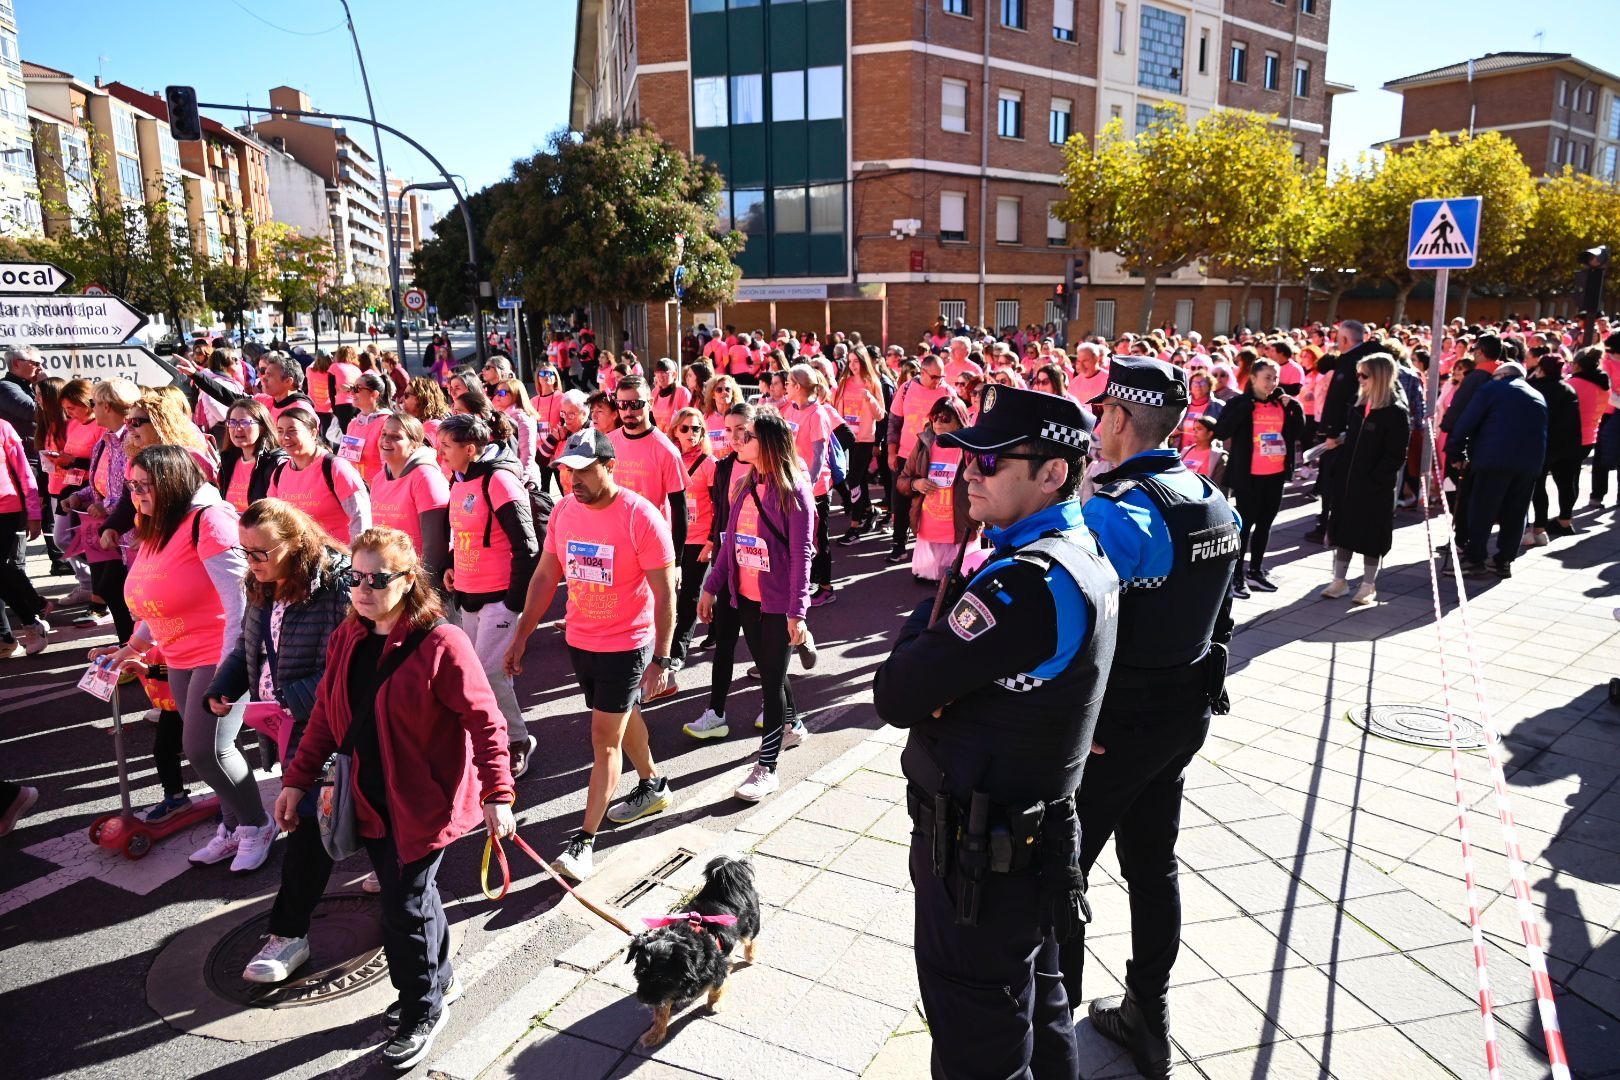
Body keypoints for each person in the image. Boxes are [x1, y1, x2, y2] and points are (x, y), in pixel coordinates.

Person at [873, 385, 1117, 1080]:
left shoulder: (1022, 585)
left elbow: (896, 693)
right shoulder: (1076, 549)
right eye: (968, 458)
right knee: (1037, 1003)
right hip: (1026, 839)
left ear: (1053, 473)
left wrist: (934, 630)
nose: (969, 473)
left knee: (976, 1039)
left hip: (980, 861)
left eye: (990, 461)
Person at [275, 527, 515, 1071]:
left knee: (403, 909)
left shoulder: (442, 643)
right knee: (414, 900)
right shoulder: (347, 636)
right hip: (365, 796)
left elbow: (487, 722)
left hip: (420, 803)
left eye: (377, 579)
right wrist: (296, 780)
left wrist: (498, 793)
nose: (363, 590)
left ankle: (422, 1011)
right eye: (355, 578)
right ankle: (438, 979)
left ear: (408, 580)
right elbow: (324, 717)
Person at [1068, 357, 1240, 1079]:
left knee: (1061, 873)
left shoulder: (1117, 510)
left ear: (1116, 417)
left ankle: (1050, 1031)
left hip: (1116, 726)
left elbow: (1078, 626)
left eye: (1101, 413)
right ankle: (1150, 1015)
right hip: (1181, 713)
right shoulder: (1212, 499)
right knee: (1152, 863)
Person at [503, 429, 677, 882]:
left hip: (626, 644)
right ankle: (654, 785)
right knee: (621, 716)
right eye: (567, 470)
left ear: (609, 466)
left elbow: (665, 594)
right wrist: (521, 635)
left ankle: (583, 842)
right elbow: (546, 576)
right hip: (582, 640)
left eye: (583, 470)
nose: (573, 480)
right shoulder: (563, 511)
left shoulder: (640, 516)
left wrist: (662, 659)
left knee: (604, 740)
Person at [93, 446, 273, 870]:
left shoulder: (209, 521)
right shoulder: (156, 526)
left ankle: (257, 824)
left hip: (219, 654)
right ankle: (232, 826)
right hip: (178, 656)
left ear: (171, 482)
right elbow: (154, 602)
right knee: (216, 749)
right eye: (132, 485)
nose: (136, 493)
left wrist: (229, 671)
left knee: (204, 749)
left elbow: (241, 604)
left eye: (145, 485)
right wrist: (133, 647)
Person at [211, 499, 357, 981]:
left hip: (333, 727)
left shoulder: (337, 585)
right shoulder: (260, 582)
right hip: (291, 726)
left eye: (261, 552)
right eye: (244, 551)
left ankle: (288, 933)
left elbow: (353, 666)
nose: (251, 562)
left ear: (296, 543)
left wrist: (292, 698)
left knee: (315, 824)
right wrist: (226, 685)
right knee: (321, 820)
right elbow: (249, 646)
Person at [699, 411, 816, 801]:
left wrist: (798, 612)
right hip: (746, 599)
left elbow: (802, 557)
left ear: (767, 443)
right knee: (771, 670)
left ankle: (767, 768)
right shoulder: (744, 486)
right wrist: (711, 588)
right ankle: (794, 724)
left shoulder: (795, 493)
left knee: (769, 684)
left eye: (748, 436)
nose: (739, 441)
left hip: (779, 604)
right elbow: (730, 542)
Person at [438, 414, 540, 778]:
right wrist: (453, 565)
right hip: (469, 595)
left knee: (486, 674)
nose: (441, 452)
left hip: (499, 598)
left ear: (470, 449)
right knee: (490, 675)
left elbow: (528, 547)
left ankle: (518, 740)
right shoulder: (459, 479)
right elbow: (461, 531)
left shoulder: (499, 481)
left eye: (446, 446)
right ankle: (495, 737)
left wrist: (513, 604)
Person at [1323, 352, 1410, 604]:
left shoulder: (1395, 413)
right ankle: (1339, 580)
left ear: (1380, 376)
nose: (1359, 379)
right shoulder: (1359, 406)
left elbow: (1395, 455)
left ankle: (1368, 585)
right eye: (1358, 374)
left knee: (1371, 534)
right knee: (1343, 530)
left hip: (1374, 487)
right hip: (1348, 482)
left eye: (1365, 375)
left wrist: (1375, 480)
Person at [1449, 360, 1549, 578]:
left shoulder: (1493, 388)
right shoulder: (1537, 395)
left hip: (1494, 458)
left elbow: (1467, 421)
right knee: (1516, 512)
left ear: (1502, 375)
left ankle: (1475, 558)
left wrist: (1455, 451)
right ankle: (1504, 561)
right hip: (1529, 463)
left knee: (1482, 509)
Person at [1213, 357, 1304, 597]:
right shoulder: (1239, 403)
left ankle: (1255, 571)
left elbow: (1297, 432)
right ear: (1253, 378)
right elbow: (1221, 431)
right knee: (1245, 526)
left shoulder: (1281, 403)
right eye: (1267, 378)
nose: (1272, 383)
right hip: (1248, 477)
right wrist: (1246, 407)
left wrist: (1294, 407)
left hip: (1275, 474)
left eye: (1275, 378)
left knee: (1265, 524)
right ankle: (1236, 576)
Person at [61, 378, 140, 638]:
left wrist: (106, 506)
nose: (91, 408)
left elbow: (136, 488)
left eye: (93, 403)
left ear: (106, 406)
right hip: (107, 532)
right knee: (109, 588)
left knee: (123, 591)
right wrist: (78, 496)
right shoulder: (104, 441)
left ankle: (133, 646)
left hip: (131, 532)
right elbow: (101, 483)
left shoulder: (134, 439)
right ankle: (128, 645)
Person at [896, 396, 976, 585]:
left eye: (945, 418)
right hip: (929, 526)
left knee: (960, 583)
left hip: (961, 524)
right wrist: (916, 484)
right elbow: (902, 480)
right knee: (927, 584)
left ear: (959, 421)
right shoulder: (924, 443)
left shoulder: (971, 448)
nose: (938, 422)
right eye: (934, 417)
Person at [370, 414, 452, 592]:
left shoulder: (426, 477)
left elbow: (435, 546)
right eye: (384, 434)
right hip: (388, 578)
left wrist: (426, 590)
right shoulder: (378, 478)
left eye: (396, 436)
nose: (386, 440)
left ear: (414, 445)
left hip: (419, 583)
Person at [886, 353, 954, 564]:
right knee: (900, 501)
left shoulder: (947, 392)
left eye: (941, 376)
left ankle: (924, 547)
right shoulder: (906, 389)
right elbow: (894, 423)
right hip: (906, 454)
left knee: (928, 502)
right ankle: (898, 545)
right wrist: (891, 452)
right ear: (922, 372)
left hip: (934, 457)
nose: (938, 381)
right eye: (934, 377)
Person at [606, 376, 687, 552]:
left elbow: (679, 510)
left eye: (635, 404)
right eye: (622, 404)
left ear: (650, 403)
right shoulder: (607, 443)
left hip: (652, 541)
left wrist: (677, 559)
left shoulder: (667, 450)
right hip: (613, 538)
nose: (628, 411)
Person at [267, 407, 371, 544]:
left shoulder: (335, 467)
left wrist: (355, 553)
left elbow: (361, 516)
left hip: (338, 554)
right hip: (297, 554)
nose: (285, 437)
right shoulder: (279, 472)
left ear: (313, 432)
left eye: (292, 431)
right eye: (280, 431)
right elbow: (272, 518)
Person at [782, 365, 840, 606]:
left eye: (788, 382)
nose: (785, 386)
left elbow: (819, 456)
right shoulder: (790, 409)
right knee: (796, 537)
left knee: (818, 538)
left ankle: (826, 587)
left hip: (814, 488)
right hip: (793, 483)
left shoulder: (818, 414)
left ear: (798, 386)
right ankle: (805, 581)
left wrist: (809, 485)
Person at [666, 407, 716, 680]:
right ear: (675, 430)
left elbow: (719, 507)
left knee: (688, 595)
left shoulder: (709, 464)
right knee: (669, 594)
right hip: (671, 537)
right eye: (684, 428)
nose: (690, 433)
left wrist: (711, 541)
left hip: (699, 539)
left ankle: (678, 651)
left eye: (696, 428)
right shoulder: (669, 459)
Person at [0, 414, 46, 658]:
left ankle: (32, 619)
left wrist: (34, 514)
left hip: (5, 510)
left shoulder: (3, 427)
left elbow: (25, 473)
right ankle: (30, 621)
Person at [1527, 354, 1583, 545]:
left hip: (1542, 444)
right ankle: (1565, 521)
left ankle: (1539, 529)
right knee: (1567, 484)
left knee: (1538, 486)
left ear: (1541, 369)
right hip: (1567, 445)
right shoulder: (1568, 389)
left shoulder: (1534, 388)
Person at [835, 349, 887, 539]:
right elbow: (836, 410)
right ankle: (869, 510)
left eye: (856, 361)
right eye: (850, 361)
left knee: (854, 480)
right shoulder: (844, 383)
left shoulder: (873, 383)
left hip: (864, 439)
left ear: (864, 362)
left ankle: (855, 525)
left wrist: (869, 398)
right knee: (857, 478)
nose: (852, 365)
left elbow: (880, 415)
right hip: (846, 437)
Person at [217, 398, 287, 513]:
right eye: (232, 423)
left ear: (262, 427)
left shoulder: (275, 463)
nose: (238, 428)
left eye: (245, 423)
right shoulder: (228, 461)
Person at [341, 372, 391, 483]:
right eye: (352, 388)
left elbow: (391, 464)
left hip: (379, 487)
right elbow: (348, 460)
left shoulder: (387, 422)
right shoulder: (352, 424)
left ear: (374, 394)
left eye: (357, 389)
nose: (352, 393)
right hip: (357, 486)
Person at [1179, 414, 1227, 486]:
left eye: (1199, 429)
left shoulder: (1219, 456)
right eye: (1194, 429)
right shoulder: (1185, 451)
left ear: (1210, 433)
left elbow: (1218, 486)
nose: (1195, 432)